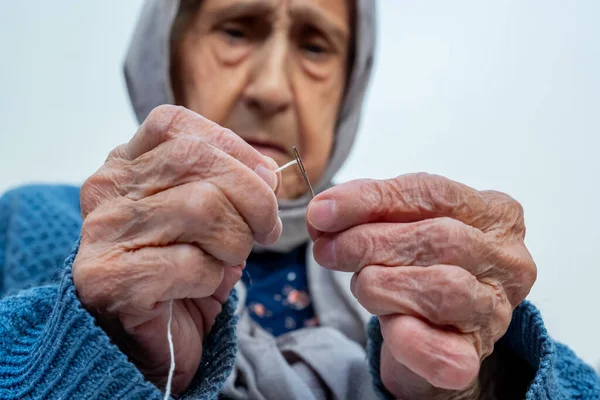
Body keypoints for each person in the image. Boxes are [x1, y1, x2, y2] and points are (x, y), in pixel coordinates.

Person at [0, 0, 598, 398]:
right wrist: (97, 340)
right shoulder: (36, 225)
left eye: (315, 47)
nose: (271, 89)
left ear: (348, 87)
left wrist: (483, 381)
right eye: (236, 28)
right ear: (169, 50)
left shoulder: (417, 269)